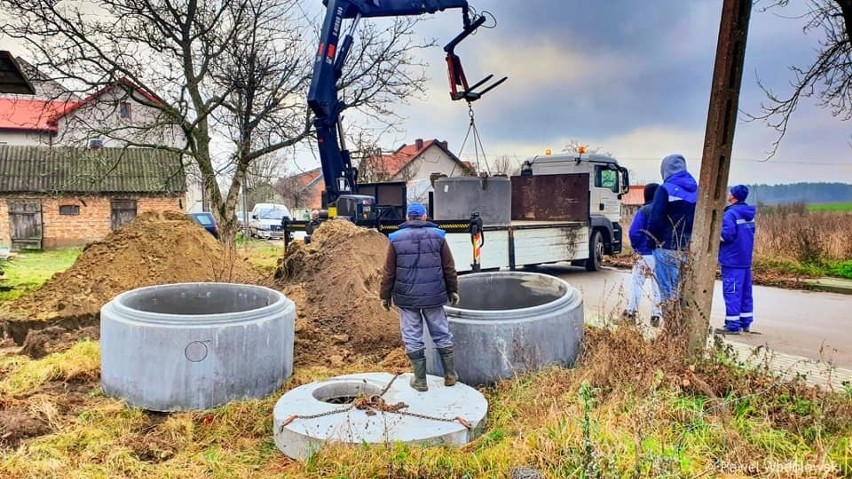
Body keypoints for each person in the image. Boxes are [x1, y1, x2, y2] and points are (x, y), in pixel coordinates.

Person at [379, 202, 460, 392]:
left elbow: (388, 272)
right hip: (434, 296)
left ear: (407, 217)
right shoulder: (438, 236)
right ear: (425, 217)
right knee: (441, 332)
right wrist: (453, 290)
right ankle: (450, 375)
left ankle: (420, 380)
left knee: (412, 335)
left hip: (407, 298)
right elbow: (449, 267)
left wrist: (385, 295)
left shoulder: (395, 238)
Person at [647, 154, 698, 309]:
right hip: (689, 248)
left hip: (667, 247)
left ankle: (671, 329)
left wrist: (652, 241)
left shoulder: (664, 190)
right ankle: (683, 330)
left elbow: (656, 219)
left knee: (668, 294)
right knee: (684, 294)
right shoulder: (698, 190)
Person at [716, 185, 756, 335]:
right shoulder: (749, 214)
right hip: (745, 259)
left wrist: (714, 236)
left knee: (731, 291)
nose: (728, 194)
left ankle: (732, 324)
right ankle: (746, 321)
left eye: (730, 192)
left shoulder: (730, 214)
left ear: (733, 197)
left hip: (731, 260)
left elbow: (726, 235)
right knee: (745, 292)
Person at [625, 183, 662, 326]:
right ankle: (656, 315)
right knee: (657, 286)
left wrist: (636, 247)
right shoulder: (664, 211)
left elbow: (634, 232)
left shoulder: (644, 211)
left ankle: (631, 314)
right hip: (660, 255)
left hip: (644, 253)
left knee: (636, 284)